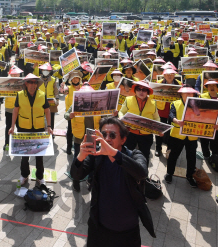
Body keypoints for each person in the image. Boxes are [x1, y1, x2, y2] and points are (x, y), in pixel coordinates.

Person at [71, 117, 155, 247]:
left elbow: (142, 173)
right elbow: (76, 175)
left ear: (123, 139)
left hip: (127, 231)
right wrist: (81, 156)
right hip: (100, 228)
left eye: (113, 135)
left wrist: (113, 153)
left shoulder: (134, 155)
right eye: (103, 134)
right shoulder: (96, 157)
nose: (107, 138)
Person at [9, 73, 53, 187]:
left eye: (35, 82)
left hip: (38, 128)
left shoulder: (42, 95)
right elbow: (15, 110)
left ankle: (40, 177)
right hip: (24, 128)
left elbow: (47, 110)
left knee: (39, 155)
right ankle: (24, 175)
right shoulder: (20, 95)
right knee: (24, 155)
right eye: (31, 82)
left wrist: (49, 126)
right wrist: (12, 126)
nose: (33, 85)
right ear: (26, 83)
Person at [66, 83, 102, 191]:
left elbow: (105, 115)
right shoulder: (75, 104)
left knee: (92, 158)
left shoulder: (97, 104)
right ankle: (75, 180)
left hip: (92, 135)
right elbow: (66, 115)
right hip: (79, 135)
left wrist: (113, 114)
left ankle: (91, 179)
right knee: (78, 157)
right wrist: (70, 115)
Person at [164, 87, 200, 188]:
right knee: (173, 156)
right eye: (185, 93)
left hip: (192, 136)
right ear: (181, 94)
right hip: (177, 135)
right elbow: (171, 115)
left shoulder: (198, 105)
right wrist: (176, 121)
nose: (188, 95)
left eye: (190, 93)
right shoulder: (175, 103)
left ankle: (190, 176)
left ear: (193, 95)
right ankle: (169, 174)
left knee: (191, 157)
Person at [118, 81, 161, 163]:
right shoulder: (128, 100)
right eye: (139, 89)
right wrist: (121, 117)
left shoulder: (153, 103)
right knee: (128, 155)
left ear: (148, 92)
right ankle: (127, 175)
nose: (141, 92)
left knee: (145, 156)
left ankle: (144, 175)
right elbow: (121, 112)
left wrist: (159, 128)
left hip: (146, 135)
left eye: (144, 90)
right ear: (135, 90)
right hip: (131, 133)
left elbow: (156, 117)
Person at [152, 67, 181, 157]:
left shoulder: (179, 84)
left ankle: (169, 148)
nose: (169, 76)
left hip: (174, 111)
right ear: (163, 75)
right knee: (160, 130)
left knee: (171, 131)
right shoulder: (158, 84)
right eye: (167, 74)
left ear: (174, 75)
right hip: (161, 110)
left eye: (172, 74)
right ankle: (158, 148)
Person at [199, 80, 218, 159]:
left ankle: (216, 156)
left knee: (216, 141)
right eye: (209, 86)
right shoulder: (202, 96)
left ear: (217, 87)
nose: (212, 87)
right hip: (205, 123)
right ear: (207, 88)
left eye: (214, 85)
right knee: (204, 141)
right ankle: (206, 155)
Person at [64, 70, 84, 154]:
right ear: (71, 80)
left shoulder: (83, 87)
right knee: (70, 131)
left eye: (77, 78)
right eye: (73, 78)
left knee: (81, 130)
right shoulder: (68, 88)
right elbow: (63, 90)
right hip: (71, 113)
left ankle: (80, 147)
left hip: (82, 113)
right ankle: (68, 147)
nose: (75, 80)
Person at [4, 65, 23, 151]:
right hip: (9, 108)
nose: (15, 76)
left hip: (20, 108)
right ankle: (7, 143)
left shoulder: (23, 83)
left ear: (19, 74)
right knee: (8, 126)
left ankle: (18, 143)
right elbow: (1, 94)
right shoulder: (6, 82)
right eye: (13, 74)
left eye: (17, 74)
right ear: (10, 74)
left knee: (20, 126)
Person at [38, 62, 59, 129]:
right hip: (40, 101)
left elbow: (56, 90)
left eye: (47, 70)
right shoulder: (38, 79)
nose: (45, 71)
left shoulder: (53, 79)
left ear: (50, 71)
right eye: (44, 70)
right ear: (41, 70)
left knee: (51, 118)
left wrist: (57, 99)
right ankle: (42, 131)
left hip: (51, 102)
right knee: (40, 117)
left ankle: (51, 132)